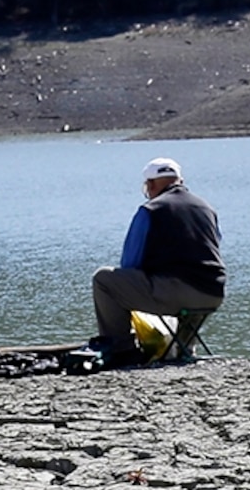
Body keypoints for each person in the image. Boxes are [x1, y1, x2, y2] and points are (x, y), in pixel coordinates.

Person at [86, 156, 224, 368]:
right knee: (185, 280)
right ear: (180, 180)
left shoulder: (151, 210)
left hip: (175, 294)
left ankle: (123, 350)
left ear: (150, 185)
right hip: (212, 293)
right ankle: (184, 348)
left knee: (104, 279)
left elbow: (130, 262)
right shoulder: (206, 208)